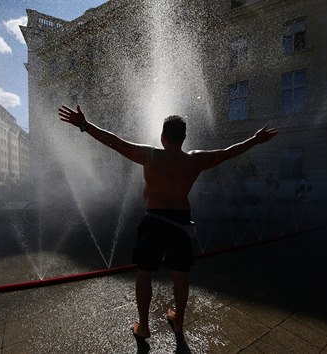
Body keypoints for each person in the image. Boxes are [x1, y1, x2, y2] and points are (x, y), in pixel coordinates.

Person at [58, 105, 277, 339]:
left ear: (163, 137)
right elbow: (227, 152)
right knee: (180, 274)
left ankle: (143, 327)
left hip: (153, 221)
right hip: (180, 222)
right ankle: (179, 322)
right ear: (183, 138)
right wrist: (254, 140)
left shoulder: (150, 155)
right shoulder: (195, 161)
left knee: (144, 273)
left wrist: (85, 125)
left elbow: (116, 142)